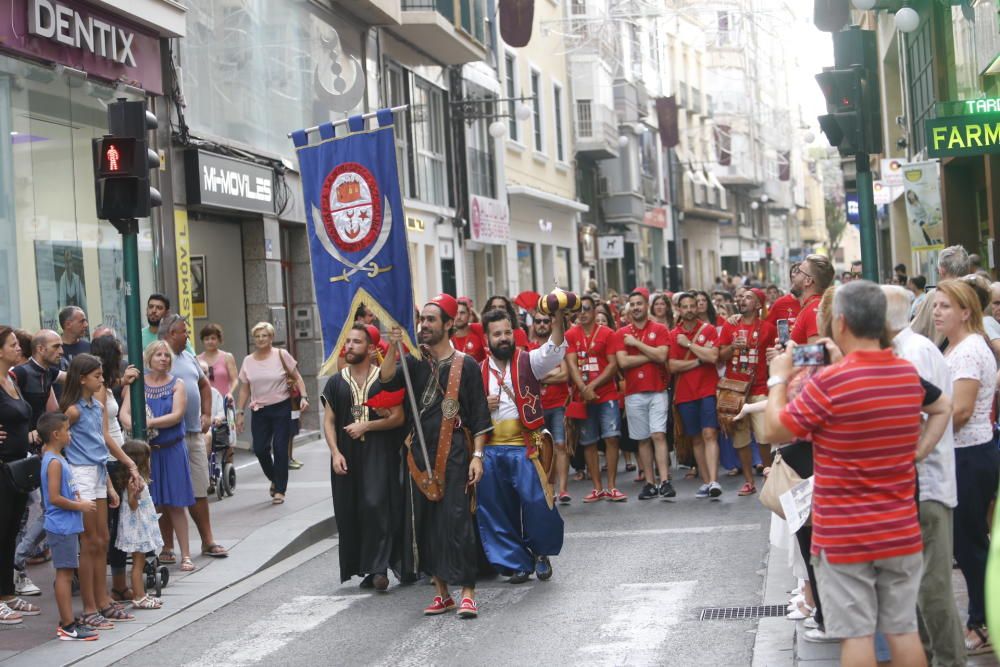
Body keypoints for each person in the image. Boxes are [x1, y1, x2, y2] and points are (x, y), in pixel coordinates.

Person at [764, 281, 938, 667]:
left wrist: (779, 376)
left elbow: (775, 429)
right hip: (900, 527)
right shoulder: (907, 376)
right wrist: (919, 451)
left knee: (857, 636)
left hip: (843, 533)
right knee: (903, 630)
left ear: (840, 323)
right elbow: (940, 407)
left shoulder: (829, 382)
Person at [379, 295, 492, 619]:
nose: (424, 325)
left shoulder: (466, 365)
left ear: (447, 324)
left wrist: (478, 456)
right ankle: (442, 594)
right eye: (422, 320)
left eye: (431, 320)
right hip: (419, 456)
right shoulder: (414, 362)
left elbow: (480, 417)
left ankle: (467, 591)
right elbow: (386, 379)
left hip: (455, 454)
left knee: (457, 522)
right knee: (426, 526)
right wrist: (393, 346)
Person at [883, 285, 967, 665]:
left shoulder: (913, 352)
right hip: (915, 485)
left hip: (926, 485)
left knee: (932, 591)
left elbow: (922, 415)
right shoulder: (904, 351)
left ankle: (949, 660)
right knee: (915, 590)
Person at [934, 279, 999, 653]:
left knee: (971, 544)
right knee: (968, 543)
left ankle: (983, 622)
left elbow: (960, 409)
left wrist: (926, 430)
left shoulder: (970, 350)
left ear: (965, 312)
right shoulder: (956, 346)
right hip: (962, 454)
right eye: (936, 305)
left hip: (970, 456)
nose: (938, 312)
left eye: (945, 306)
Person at [479, 306, 566, 583]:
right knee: (495, 509)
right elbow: (462, 408)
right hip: (491, 449)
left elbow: (554, 348)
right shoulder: (476, 369)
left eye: (507, 332)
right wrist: (482, 405)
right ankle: (516, 561)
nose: (503, 338)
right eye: (497, 334)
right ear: (487, 338)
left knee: (538, 503)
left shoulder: (529, 361)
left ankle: (541, 553)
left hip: (526, 447)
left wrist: (559, 317)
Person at [60, 353, 141, 628]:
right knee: (90, 542)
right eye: (97, 376)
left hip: (97, 470)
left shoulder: (98, 406)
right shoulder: (73, 410)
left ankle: (102, 600)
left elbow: (104, 440)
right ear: (82, 378)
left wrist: (122, 468)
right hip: (80, 473)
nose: (103, 380)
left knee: (102, 539)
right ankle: (90, 606)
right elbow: (56, 439)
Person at [322, 325, 405, 591]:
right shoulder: (336, 382)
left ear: (371, 349)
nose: (350, 346)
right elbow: (329, 420)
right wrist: (335, 452)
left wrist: (366, 426)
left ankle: (380, 569)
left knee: (375, 505)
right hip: (346, 454)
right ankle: (367, 568)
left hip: (378, 452)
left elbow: (398, 418)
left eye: (357, 342)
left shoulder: (384, 379)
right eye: (348, 341)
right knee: (351, 509)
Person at [121, 341, 194, 572]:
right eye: (158, 355)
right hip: (146, 453)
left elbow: (176, 415)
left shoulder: (177, 384)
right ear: (149, 358)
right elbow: (124, 412)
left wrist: (147, 423)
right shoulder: (138, 384)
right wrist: (132, 426)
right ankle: (163, 548)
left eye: (166, 355)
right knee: (153, 501)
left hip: (171, 449)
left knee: (176, 503)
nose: (163, 358)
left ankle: (186, 554)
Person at [158, 314, 227, 558]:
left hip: (194, 433)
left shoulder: (187, 356)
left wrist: (207, 413)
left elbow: (204, 385)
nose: (187, 335)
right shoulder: (157, 358)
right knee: (166, 493)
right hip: (166, 438)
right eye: (183, 331)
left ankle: (207, 541)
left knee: (199, 487)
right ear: (169, 334)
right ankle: (167, 546)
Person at [10, 329, 63, 597]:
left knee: (45, 508)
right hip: (21, 455)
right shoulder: (18, 374)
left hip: (37, 452)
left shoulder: (48, 373)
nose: (61, 351)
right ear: (40, 349)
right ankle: (17, 567)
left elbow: (74, 377)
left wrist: (116, 377)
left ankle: (17, 563)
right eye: (56, 346)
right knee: (20, 516)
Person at [37, 411, 98, 640]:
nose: (69, 434)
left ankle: (68, 621)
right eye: (67, 430)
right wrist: (79, 505)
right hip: (61, 525)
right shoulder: (53, 462)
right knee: (64, 574)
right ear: (56, 434)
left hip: (67, 525)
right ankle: (67, 624)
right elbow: (53, 498)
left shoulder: (58, 458)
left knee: (67, 571)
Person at [236, 322, 310, 505]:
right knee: (260, 449)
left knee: (280, 448)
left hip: (281, 407)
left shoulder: (281, 355)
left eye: (264, 336)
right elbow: (245, 389)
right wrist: (239, 412)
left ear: (271, 337)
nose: (261, 339)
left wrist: (304, 397)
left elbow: (297, 377)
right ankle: (275, 479)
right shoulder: (248, 361)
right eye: (257, 336)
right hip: (259, 410)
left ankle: (280, 490)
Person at [612, 288, 671, 501]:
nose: (636, 307)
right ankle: (649, 482)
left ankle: (665, 480)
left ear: (647, 306)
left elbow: (663, 355)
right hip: (634, 392)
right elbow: (623, 362)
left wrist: (636, 345)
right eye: (633, 304)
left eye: (640, 303)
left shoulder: (660, 328)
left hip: (657, 390)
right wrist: (651, 354)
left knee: (658, 435)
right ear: (629, 309)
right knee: (643, 439)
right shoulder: (621, 333)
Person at [718, 288, 776, 493]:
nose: (742, 300)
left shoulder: (768, 328)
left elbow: (774, 356)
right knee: (740, 437)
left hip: (759, 387)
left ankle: (769, 476)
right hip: (734, 390)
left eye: (748, 298)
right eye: (741, 297)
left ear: (758, 305)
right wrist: (732, 346)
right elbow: (720, 356)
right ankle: (749, 481)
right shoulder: (729, 325)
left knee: (763, 436)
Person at [564, 295, 622, 502]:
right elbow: (570, 363)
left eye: (586, 308)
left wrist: (592, 386)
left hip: (606, 393)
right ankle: (597, 487)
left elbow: (613, 364)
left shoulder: (608, 333)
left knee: (612, 437)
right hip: (583, 397)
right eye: (579, 309)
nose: (582, 313)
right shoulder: (570, 334)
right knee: (588, 442)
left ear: (594, 311)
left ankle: (612, 486)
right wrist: (582, 388)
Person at [0, 327, 39, 625]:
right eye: (13, 344)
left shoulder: (12, 378)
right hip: (1, 467)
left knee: (11, 530)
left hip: (17, 466)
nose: (18, 348)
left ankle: (6, 593)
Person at [669, 293, 722, 499]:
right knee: (696, 438)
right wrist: (699, 359)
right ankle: (707, 481)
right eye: (685, 306)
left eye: (692, 305)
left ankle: (715, 480)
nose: (689, 309)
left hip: (707, 389)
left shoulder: (707, 329)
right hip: (685, 392)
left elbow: (713, 356)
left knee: (710, 433)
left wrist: (690, 346)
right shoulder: (674, 335)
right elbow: (672, 366)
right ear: (679, 310)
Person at [112, 440, 164, 610]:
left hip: (139, 525)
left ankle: (141, 593)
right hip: (137, 527)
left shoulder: (136, 479)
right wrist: (136, 494)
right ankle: (139, 596)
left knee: (138, 562)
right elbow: (133, 505)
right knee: (138, 563)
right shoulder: (134, 482)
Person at [528, 311, 571, 504]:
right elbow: (528, 376)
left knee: (560, 445)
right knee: (540, 449)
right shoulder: (528, 349)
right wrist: (549, 373)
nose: (543, 324)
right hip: (536, 407)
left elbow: (565, 375)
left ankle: (562, 490)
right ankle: (547, 487)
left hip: (558, 403)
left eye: (547, 321)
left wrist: (540, 376)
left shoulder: (559, 346)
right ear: (533, 325)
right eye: (539, 321)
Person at [789, 254, 835, 345]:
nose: (793, 275)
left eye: (798, 271)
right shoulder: (811, 306)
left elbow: (816, 357)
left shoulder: (814, 310)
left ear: (808, 281)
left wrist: (786, 356)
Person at [197, 324, 239, 401]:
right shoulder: (197, 359)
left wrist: (230, 393)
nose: (210, 341)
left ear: (219, 340)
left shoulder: (227, 357)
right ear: (203, 341)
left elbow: (235, 380)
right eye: (206, 339)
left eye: (213, 338)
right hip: (205, 401)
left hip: (225, 399)